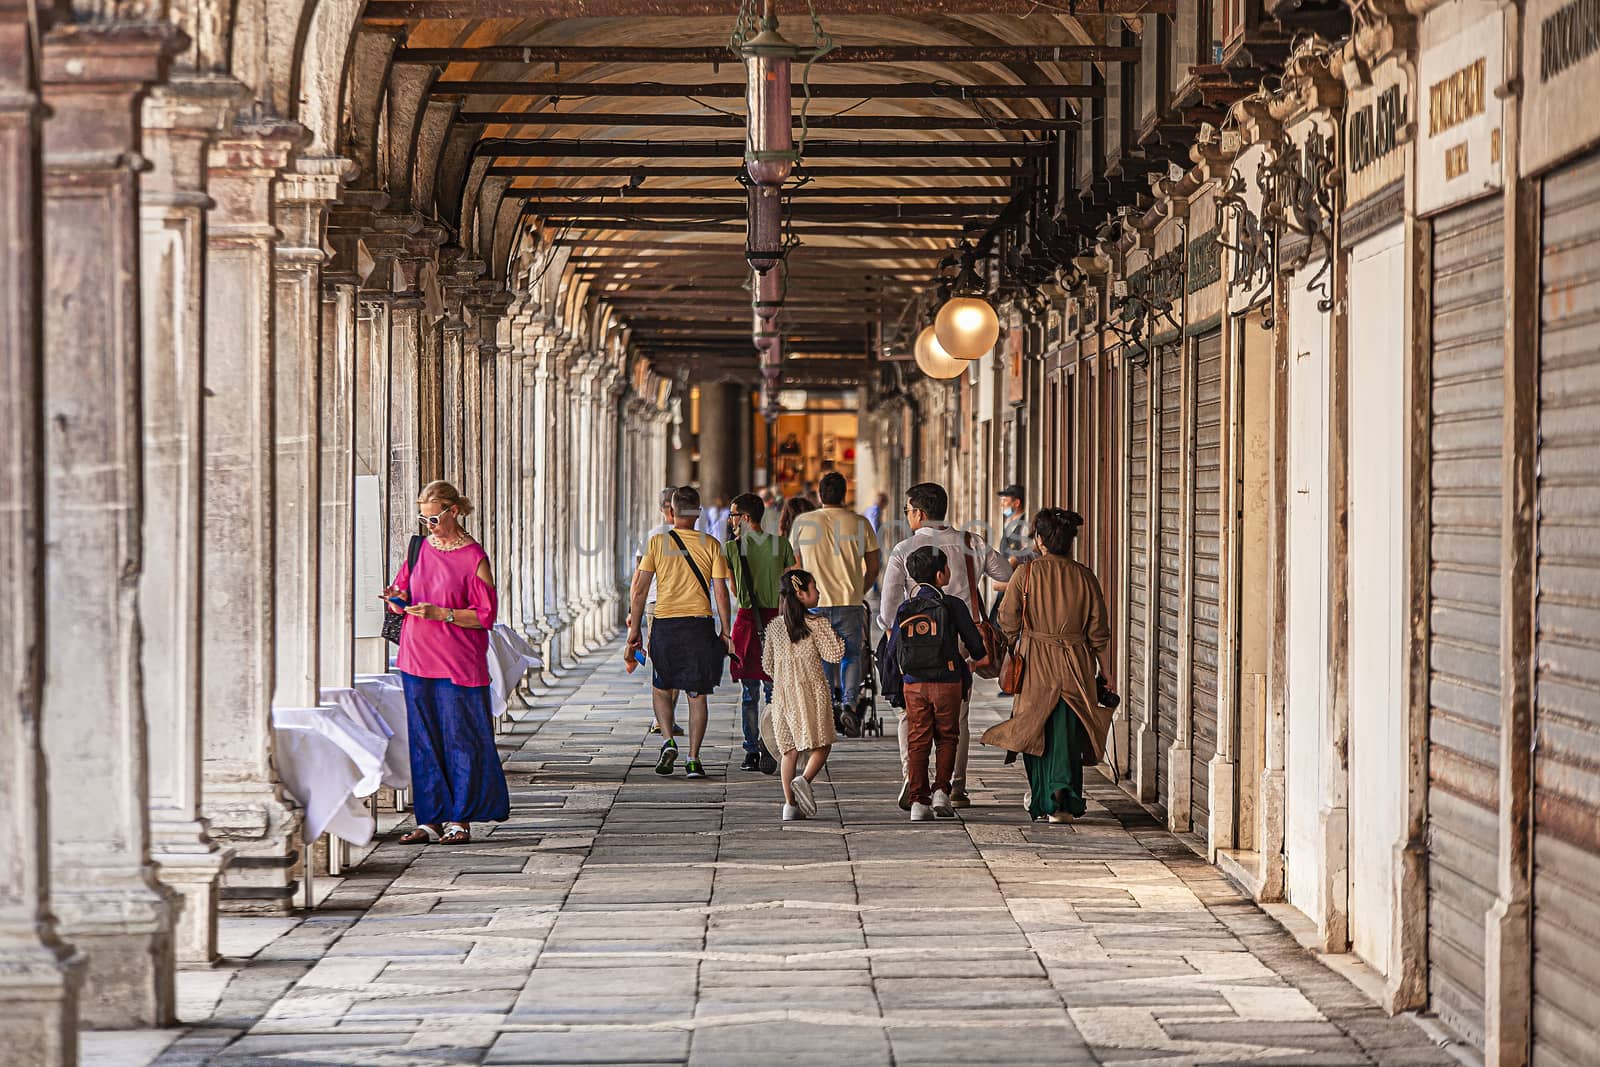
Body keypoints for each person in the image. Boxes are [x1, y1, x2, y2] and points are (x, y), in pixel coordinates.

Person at [384, 481, 509, 845]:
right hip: (416, 656)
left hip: (458, 661)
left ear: (454, 511)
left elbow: (485, 616)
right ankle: (430, 817)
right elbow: (404, 593)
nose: (430, 525)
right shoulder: (418, 549)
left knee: (461, 738)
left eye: (435, 517)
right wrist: (396, 599)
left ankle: (461, 817)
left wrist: (444, 613)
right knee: (424, 739)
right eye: (424, 519)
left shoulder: (474, 558)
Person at [877, 482, 1013, 811]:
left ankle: (913, 777)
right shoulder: (972, 543)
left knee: (911, 716)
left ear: (920, 513)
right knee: (957, 721)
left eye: (908, 511)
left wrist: (896, 634)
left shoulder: (903, 549)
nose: (907, 516)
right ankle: (954, 787)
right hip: (959, 646)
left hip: (915, 645)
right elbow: (1007, 575)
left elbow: (886, 611)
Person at [981, 509, 1115, 823]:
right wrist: (1106, 673)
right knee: (1068, 729)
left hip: (1034, 662)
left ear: (1040, 540)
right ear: (1071, 542)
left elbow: (1007, 620)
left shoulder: (1025, 574)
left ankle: (1043, 796)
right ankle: (1065, 797)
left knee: (1033, 728)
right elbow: (1099, 632)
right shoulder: (1085, 576)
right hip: (1075, 663)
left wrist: (1023, 640)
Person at [625, 486, 734, 779]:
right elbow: (721, 593)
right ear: (698, 513)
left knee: (662, 688)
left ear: (672, 512)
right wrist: (726, 631)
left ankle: (668, 740)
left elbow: (640, 591)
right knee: (697, 695)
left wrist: (634, 630)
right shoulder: (711, 544)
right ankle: (693, 759)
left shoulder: (658, 543)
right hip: (699, 625)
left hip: (665, 624)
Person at [890, 546, 986, 821]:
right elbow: (977, 647)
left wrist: (896, 686)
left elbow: (893, 651)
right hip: (948, 682)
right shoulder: (953, 605)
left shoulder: (905, 608)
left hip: (914, 684)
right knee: (947, 737)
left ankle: (919, 803)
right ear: (941, 573)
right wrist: (973, 657)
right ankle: (942, 791)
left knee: (918, 739)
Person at [789, 471, 881, 713]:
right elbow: (873, 566)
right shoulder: (861, 523)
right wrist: (859, 589)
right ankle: (850, 703)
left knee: (821, 655)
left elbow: (794, 566)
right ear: (844, 495)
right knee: (851, 654)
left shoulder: (802, 523)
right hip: (849, 600)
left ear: (820, 495)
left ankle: (827, 706)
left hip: (813, 603)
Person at [762, 569, 845, 821]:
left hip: (782, 696)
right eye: (814, 587)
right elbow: (835, 654)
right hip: (812, 693)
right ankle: (804, 779)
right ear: (801, 594)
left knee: (789, 752)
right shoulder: (817, 623)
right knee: (822, 744)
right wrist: (833, 632)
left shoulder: (775, 627)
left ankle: (790, 806)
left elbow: (767, 665)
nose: (818, 592)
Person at [724, 492, 795, 772]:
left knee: (749, 692)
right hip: (775, 619)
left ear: (744, 518)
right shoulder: (780, 544)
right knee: (774, 689)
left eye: (733, 514)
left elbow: (732, 588)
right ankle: (772, 743)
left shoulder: (732, 548)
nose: (730, 520)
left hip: (747, 620)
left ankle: (751, 750)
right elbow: (792, 584)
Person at [631, 486, 684, 736]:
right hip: (683, 606)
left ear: (663, 508)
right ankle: (666, 719)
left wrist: (634, 613)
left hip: (654, 605)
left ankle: (662, 719)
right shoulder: (695, 536)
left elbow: (637, 579)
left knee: (662, 663)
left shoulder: (652, 536)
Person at [994, 484, 1036, 618]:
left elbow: (1029, 553)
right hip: (1007, 578)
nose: (1002, 505)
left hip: (1018, 582)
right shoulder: (1008, 523)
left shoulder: (1024, 526)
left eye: (1005, 501)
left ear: (1017, 503)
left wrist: (1013, 561)